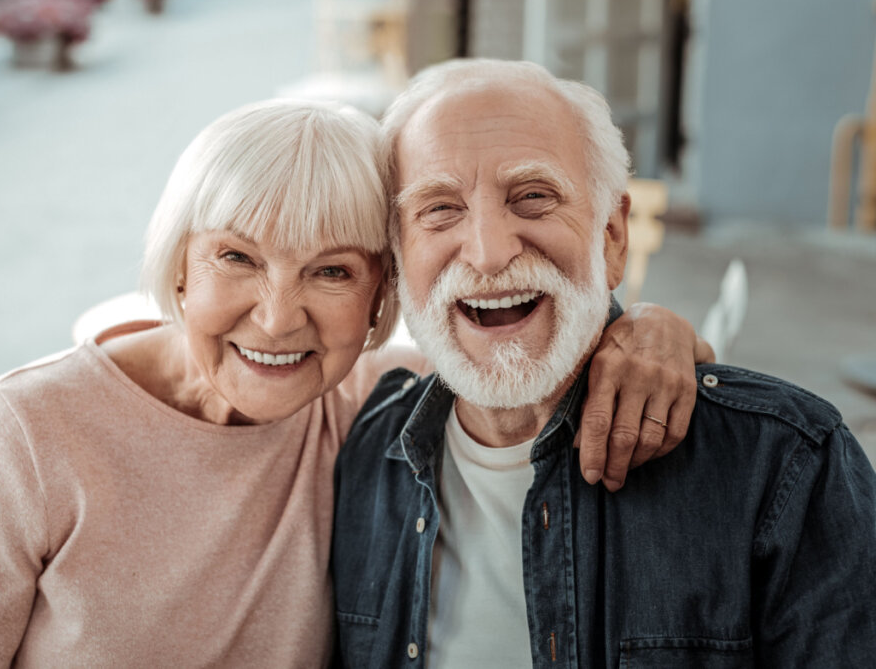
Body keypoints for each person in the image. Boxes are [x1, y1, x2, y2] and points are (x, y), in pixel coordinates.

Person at [0, 99, 703, 667]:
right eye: (236, 257)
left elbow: (531, 348)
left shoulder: (369, 406)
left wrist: (650, 329)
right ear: (178, 266)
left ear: (383, 298)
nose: (278, 319)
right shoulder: (29, 430)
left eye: (331, 271)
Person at [331, 59, 876, 668]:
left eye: (533, 198)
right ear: (398, 256)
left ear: (612, 236)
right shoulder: (357, 452)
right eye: (439, 209)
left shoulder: (783, 465)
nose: (488, 253)